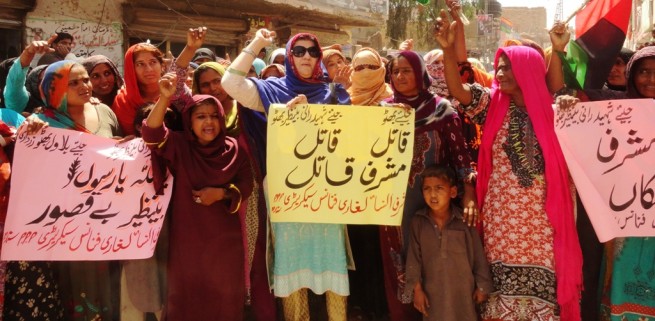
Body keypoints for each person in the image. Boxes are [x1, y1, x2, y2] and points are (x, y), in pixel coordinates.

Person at [435, 10, 582, 321]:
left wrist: (570, 106)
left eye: (506, 68)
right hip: (502, 220)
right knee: (500, 295)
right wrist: (448, 50)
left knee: (545, 292)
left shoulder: (556, 112)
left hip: (545, 221)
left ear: (527, 70)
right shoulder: (491, 105)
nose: (499, 74)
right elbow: (459, 92)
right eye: (498, 68)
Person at [222, 28, 351, 321]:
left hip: (328, 192)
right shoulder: (271, 91)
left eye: (313, 51)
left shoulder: (333, 91)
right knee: (292, 264)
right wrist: (257, 43)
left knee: (332, 261)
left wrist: (332, 101)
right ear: (289, 55)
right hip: (287, 192)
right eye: (299, 50)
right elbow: (230, 82)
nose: (307, 56)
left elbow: (345, 139)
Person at [143, 72, 252, 320]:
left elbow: (246, 185)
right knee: (188, 297)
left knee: (224, 299)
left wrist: (222, 193)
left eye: (214, 116)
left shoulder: (234, 150)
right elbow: (151, 134)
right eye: (201, 116)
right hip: (188, 243)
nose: (209, 123)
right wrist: (164, 99)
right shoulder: (180, 146)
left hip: (225, 243)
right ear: (189, 121)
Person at [381, 49, 476, 321]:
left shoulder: (441, 109)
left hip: (434, 205)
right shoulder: (382, 110)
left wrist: (468, 191)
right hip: (392, 208)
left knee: (435, 264)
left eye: (406, 70)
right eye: (395, 71)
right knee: (399, 258)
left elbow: (461, 157)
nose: (399, 76)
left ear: (420, 73)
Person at [405, 165, 493, 321]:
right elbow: (413, 259)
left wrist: (482, 286)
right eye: (427, 189)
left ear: (452, 192)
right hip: (433, 294)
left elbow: (479, 256)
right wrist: (417, 290)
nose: (433, 194)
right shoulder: (418, 222)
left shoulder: (464, 221)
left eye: (439, 188)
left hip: (463, 293)